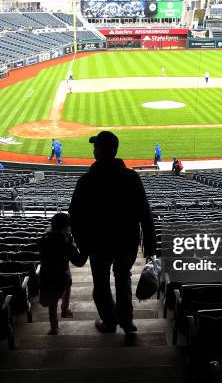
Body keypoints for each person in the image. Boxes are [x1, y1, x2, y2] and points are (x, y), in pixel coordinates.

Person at [69, 131, 156, 334]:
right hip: (127, 240)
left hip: (98, 243)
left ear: (99, 151)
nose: (93, 149)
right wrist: (150, 247)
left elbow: (75, 216)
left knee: (101, 283)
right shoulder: (131, 177)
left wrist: (82, 245)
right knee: (123, 277)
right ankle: (126, 321)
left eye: (96, 146)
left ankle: (109, 321)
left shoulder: (86, 181)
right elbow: (145, 213)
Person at [38, 213, 87, 335]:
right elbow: (79, 261)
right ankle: (65, 310)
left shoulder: (43, 239)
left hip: (46, 274)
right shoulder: (66, 241)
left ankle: (54, 328)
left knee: (52, 303)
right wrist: (85, 249)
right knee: (67, 285)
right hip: (61, 275)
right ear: (67, 227)